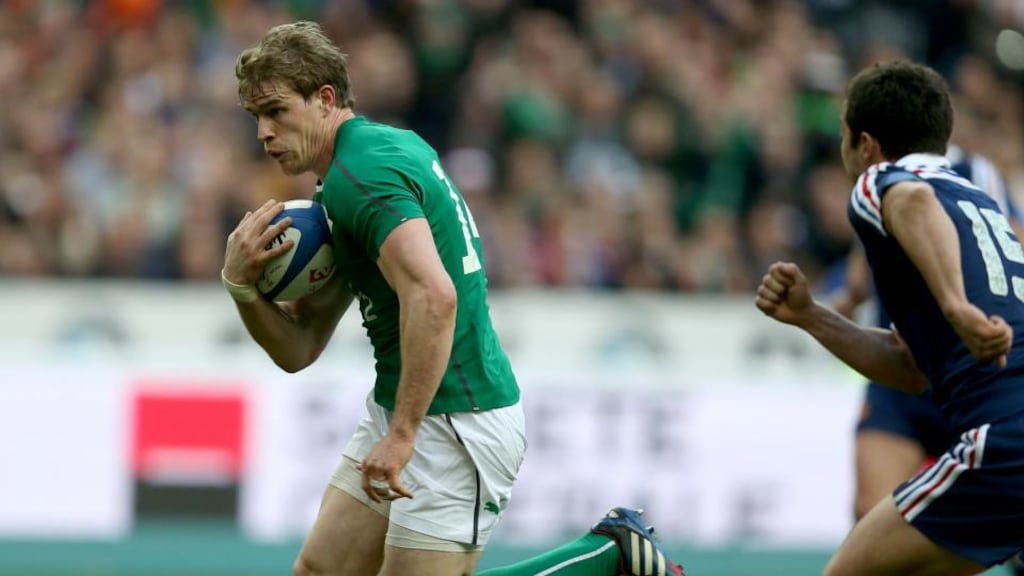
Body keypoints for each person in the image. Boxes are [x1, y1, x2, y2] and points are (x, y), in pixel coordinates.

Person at [221, 21, 683, 576]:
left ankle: (606, 558)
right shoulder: (371, 157)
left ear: (324, 99)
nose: (263, 133)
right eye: (256, 118)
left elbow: (436, 297)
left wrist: (403, 433)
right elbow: (299, 349)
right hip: (414, 402)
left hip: (457, 417)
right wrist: (241, 286)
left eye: (276, 111)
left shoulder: (359, 177)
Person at [756, 59, 1024, 575]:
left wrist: (955, 305)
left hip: (1005, 439)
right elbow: (911, 368)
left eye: (842, 137)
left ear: (865, 143)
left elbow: (912, 200)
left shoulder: (883, 179)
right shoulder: (979, 198)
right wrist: (812, 316)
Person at [832, 146, 1022, 525]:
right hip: (902, 375)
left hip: (973, 375)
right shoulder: (873, 185)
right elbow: (863, 264)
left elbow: (1012, 237)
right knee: (870, 511)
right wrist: (851, 299)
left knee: (1001, 518)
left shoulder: (970, 171)